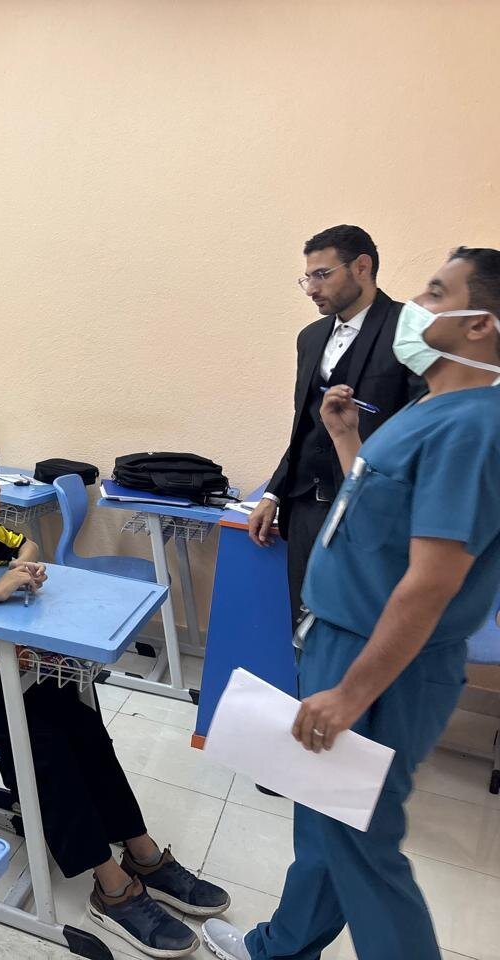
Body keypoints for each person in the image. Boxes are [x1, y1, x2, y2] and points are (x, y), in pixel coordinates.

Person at [202, 248, 500, 960]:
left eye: (438, 291)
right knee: (323, 817)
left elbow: (432, 581)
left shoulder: (474, 428)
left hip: (381, 660)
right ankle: (282, 947)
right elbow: (378, 513)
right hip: (341, 635)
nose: (417, 303)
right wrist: (346, 440)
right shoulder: (434, 406)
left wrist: (351, 692)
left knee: (361, 841)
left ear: (480, 323)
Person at [0, 434, 229, 959]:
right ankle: (109, 886)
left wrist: (22, 569)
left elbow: (25, 546)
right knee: (41, 741)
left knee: (78, 712)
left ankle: (140, 850)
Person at [247, 226, 421, 626]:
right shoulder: (310, 338)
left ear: (362, 267)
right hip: (305, 507)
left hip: (369, 510)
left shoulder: (408, 329)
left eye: (322, 275)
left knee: (360, 627)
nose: (311, 289)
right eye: (307, 277)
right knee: (303, 624)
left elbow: (420, 430)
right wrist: (274, 493)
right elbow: (304, 426)